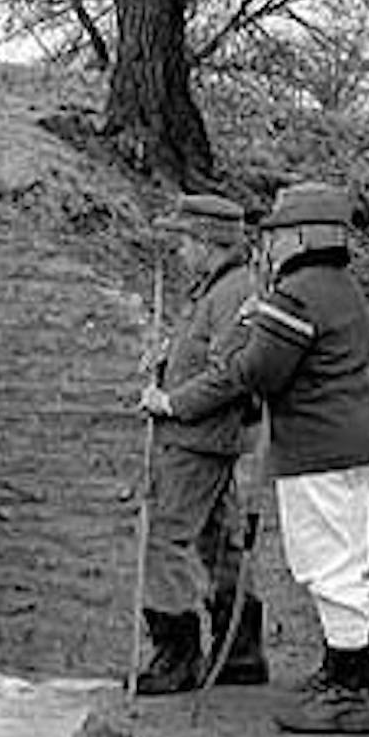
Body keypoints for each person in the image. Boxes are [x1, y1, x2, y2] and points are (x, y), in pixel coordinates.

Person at [141, 181, 369, 734]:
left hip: (323, 447)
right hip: (335, 444)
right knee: (328, 562)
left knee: (333, 568)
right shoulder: (329, 287)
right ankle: (329, 674)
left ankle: (346, 689)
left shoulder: (299, 293)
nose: (267, 245)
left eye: (275, 234)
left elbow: (254, 371)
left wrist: (174, 400)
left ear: (301, 236)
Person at [134, 192, 268, 696]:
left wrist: (172, 404)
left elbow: (229, 374)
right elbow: (204, 359)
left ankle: (178, 658)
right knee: (219, 543)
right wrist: (165, 365)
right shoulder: (215, 289)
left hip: (198, 438)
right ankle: (240, 654)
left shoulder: (234, 292)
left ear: (207, 241)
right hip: (205, 437)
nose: (178, 251)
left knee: (165, 539)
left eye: (183, 240)